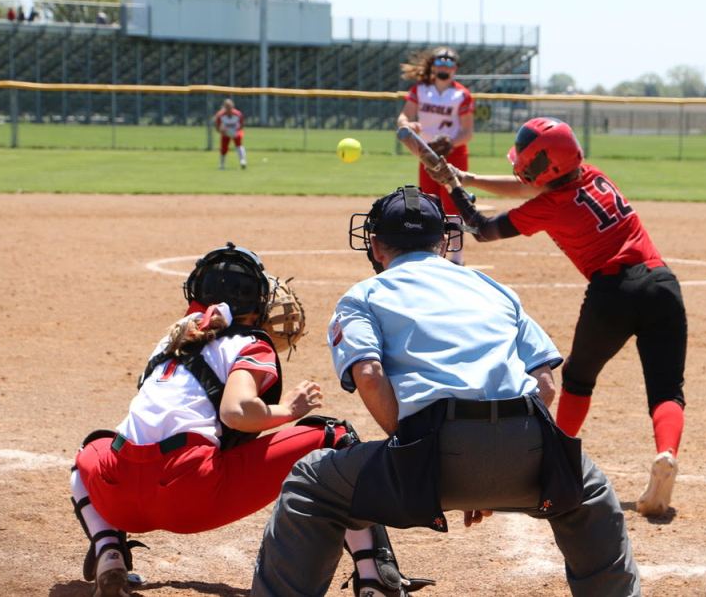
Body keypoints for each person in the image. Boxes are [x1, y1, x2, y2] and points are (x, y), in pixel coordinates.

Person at [252, 186, 640, 597]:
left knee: (313, 485)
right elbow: (545, 383)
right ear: (443, 241)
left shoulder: (363, 295)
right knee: (587, 492)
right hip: (527, 445)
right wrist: (493, 463)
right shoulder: (492, 287)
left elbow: (368, 374)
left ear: (376, 246)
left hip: (431, 450)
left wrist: (414, 447)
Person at [70, 243, 408, 597]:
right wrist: (289, 410)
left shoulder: (170, 340)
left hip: (118, 495)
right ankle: (375, 576)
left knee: (92, 449)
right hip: (190, 493)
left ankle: (109, 552)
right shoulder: (250, 343)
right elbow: (236, 411)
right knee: (335, 438)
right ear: (254, 303)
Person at [425, 117, 688, 517]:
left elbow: (483, 229)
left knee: (579, 379)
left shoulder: (551, 206)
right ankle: (666, 452)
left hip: (612, 293)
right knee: (667, 389)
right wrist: (466, 177)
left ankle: (557, 459)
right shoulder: (594, 176)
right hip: (662, 284)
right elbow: (528, 186)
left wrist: (453, 188)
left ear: (542, 165)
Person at [396, 47, 474, 265]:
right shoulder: (420, 90)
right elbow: (404, 116)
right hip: (427, 153)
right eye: (440, 62)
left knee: (453, 204)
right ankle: (432, 252)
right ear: (433, 66)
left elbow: (467, 132)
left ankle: (456, 258)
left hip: (454, 154)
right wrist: (407, 124)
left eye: (449, 63)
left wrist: (450, 143)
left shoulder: (462, 95)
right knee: (429, 203)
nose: (444, 67)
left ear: (455, 68)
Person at [214, 98, 247, 170]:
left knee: (239, 144)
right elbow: (217, 127)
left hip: (236, 131)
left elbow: (241, 125)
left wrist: (235, 132)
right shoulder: (220, 115)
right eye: (227, 107)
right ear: (224, 107)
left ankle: (242, 161)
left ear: (232, 107)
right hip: (225, 133)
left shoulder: (238, 114)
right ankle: (222, 164)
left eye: (230, 107)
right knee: (223, 148)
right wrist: (223, 131)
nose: (228, 109)